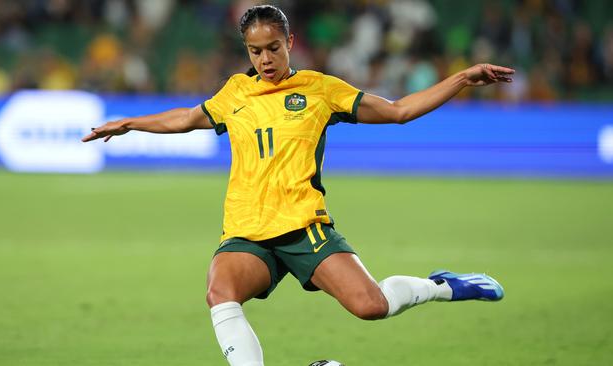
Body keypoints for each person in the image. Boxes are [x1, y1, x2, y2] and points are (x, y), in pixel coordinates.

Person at [82, 5, 513, 366]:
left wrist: (461, 79)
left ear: (289, 43)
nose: (265, 59)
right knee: (220, 292)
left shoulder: (320, 89)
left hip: (303, 227)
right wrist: (130, 123)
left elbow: (398, 111)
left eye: (273, 48)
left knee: (371, 307)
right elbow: (188, 117)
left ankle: (440, 286)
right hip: (248, 231)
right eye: (255, 51)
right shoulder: (236, 92)